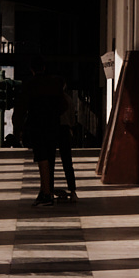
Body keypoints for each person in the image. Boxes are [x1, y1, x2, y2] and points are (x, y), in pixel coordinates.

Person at [24, 63, 61, 206]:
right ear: (44, 68)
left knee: (42, 158)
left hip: (37, 126)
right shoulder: (53, 83)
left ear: (31, 69)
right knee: (50, 159)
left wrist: (18, 127)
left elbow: (22, 105)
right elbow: (63, 104)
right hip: (53, 126)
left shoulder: (30, 84)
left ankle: (46, 194)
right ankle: (46, 190)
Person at [55, 74, 79, 203]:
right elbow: (72, 119)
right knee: (67, 162)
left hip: (53, 130)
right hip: (65, 130)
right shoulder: (68, 99)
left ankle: (48, 189)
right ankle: (72, 190)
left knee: (50, 162)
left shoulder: (52, 99)